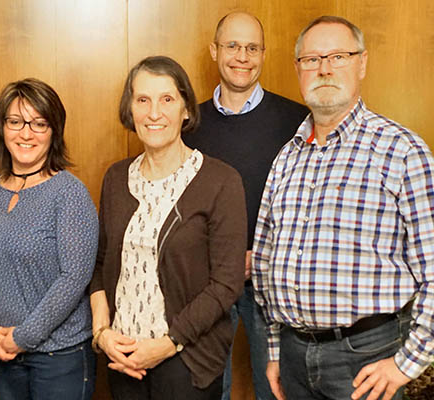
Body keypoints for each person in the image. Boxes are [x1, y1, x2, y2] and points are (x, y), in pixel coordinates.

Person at [253, 15, 434, 400]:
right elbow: (266, 261)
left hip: (367, 357)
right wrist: (274, 350)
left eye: (338, 56)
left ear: (362, 63)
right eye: (311, 59)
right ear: (298, 68)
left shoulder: (402, 151)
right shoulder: (286, 157)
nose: (324, 68)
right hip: (293, 355)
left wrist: (409, 362)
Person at [89, 55, 246, 400]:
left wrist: (168, 343)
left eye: (167, 99)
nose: (154, 113)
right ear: (130, 110)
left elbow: (226, 284)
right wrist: (102, 334)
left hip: (186, 360)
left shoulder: (220, 181)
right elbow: (99, 265)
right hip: (123, 357)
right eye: (142, 100)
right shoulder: (116, 178)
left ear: (186, 109)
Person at [183, 12, 308, 400]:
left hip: (273, 281)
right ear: (214, 50)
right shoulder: (189, 123)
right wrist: (220, 259)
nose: (242, 56)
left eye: (252, 47)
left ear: (264, 54)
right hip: (206, 281)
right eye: (233, 46)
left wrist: (262, 255)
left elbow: (308, 203)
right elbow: (180, 205)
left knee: (275, 388)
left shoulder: (297, 120)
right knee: (204, 387)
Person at [0, 78, 98, 400]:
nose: (26, 134)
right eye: (15, 122)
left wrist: (24, 336)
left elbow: (75, 276)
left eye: (39, 124)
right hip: (2, 354)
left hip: (60, 356)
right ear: (2, 127)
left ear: (54, 131)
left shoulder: (69, 192)